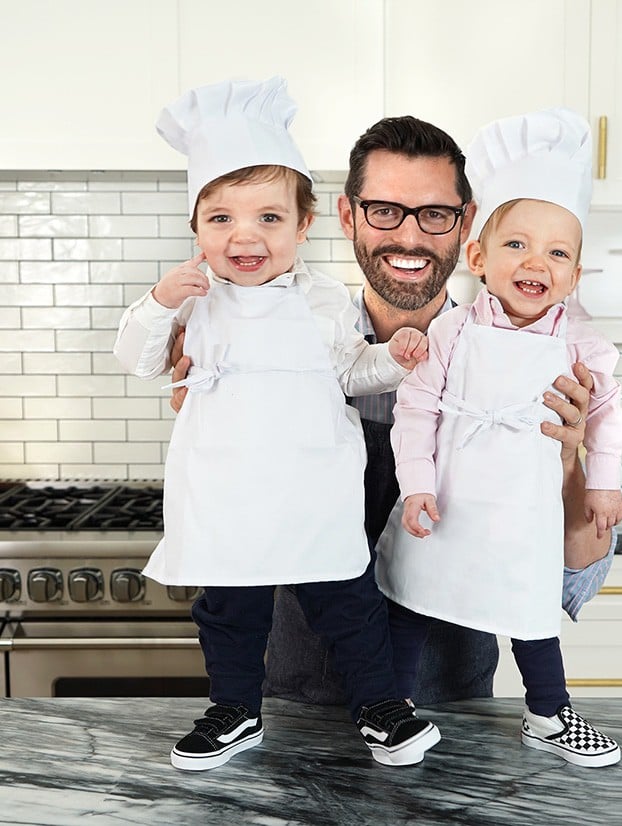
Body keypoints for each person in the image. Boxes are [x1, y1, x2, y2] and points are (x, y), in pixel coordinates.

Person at [169, 115, 618, 708]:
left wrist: (565, 461)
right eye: (384, 210)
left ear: (467, 226)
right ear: (347, 215)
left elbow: (575, 578)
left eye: (434, 214)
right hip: (293, 708)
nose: (409, 237)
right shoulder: (289, 341)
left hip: (452, 714)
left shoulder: (540, 361)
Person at [113, 77, 441, 772]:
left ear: (304, 226)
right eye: (222, 220)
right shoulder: (192, 302)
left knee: (350, 608)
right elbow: (139, 361)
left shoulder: (323, 299)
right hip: (226, 495)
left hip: (313, 495)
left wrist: (398, 359)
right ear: (197, 230)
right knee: (231, 613)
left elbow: (353, 374)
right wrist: (155, 303)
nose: (245, 236)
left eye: (268, 218)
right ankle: (235, 710)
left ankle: (380, 709)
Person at [375, 109, 622, 768]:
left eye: (557, 253)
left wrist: (598, 480)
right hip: (447, 507)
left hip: (522, 516)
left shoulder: (582, 344)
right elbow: (416, 408)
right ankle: (391, 708)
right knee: (410, 599)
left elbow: (607, 417)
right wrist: (418, 488)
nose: (534, 263)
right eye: (516, 245)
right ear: (479, 257)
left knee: (532, 610)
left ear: (575, 275)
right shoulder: (452, 332)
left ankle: (547, 712)